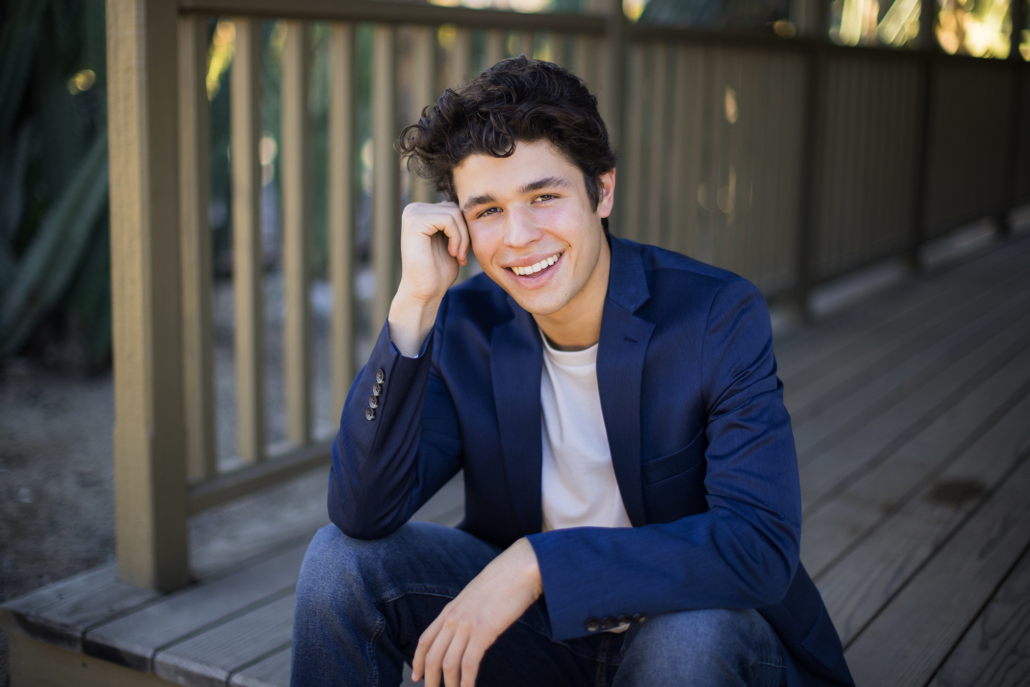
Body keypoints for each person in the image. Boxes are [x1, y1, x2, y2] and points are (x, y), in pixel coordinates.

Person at [291, 56, 854, 687]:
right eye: (488, 211)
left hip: (707, 646)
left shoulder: (715, 316)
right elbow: (363, 512)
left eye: (543, 197)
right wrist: (413, 307)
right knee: (339, 561)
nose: (520, 237)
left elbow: (758, 546)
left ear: (602, 190)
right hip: (548, 641)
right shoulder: (467, 322)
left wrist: (539, 563)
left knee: (687, 637)